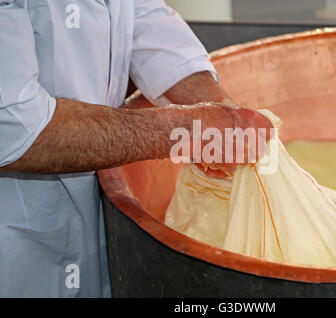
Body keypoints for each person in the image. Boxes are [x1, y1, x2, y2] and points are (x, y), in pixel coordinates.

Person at [0, 0, 272, 297]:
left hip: (92, 220)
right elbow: (13, 127)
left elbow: (141, 13)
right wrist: (187, 129)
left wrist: (218, 107)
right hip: (18, 246)